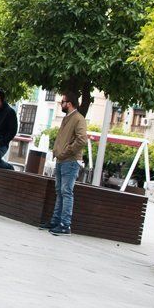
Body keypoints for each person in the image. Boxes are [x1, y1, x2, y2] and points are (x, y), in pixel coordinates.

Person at [38, 92, 88, 236]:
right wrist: (57, 153)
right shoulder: (67, 118)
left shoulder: (78, 118)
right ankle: (55, 222)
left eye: (63, 102)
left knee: (66, 192)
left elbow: (82, 140)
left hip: (70, 161)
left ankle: (65, 225)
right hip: (62, 160)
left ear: (69, 103)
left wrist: (65, 152)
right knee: (60, 192)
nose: (61, 104)